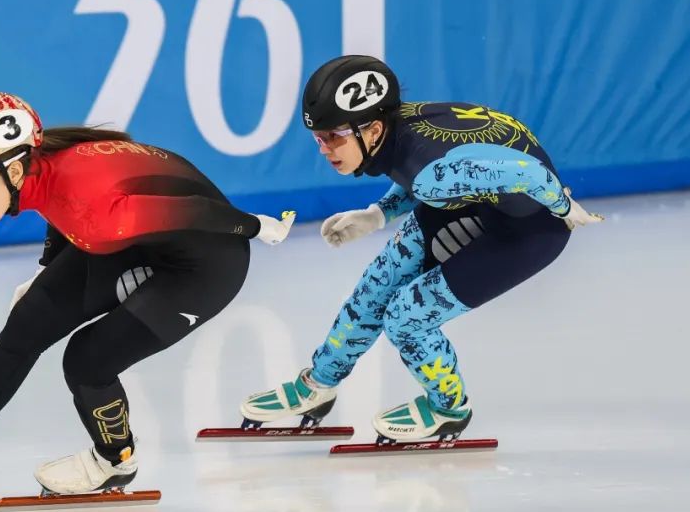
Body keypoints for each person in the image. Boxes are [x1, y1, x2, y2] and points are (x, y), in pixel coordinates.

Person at [0, 92, 295, 495]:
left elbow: (194, 211)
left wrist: (258, 226)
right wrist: (44, 273)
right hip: (138, 238)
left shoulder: (97, 213)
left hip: (206, 266)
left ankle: (114, 460)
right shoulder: (42, 168)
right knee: (26, 323)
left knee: (88, 360)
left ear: (12, 170)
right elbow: (58, 209)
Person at [240, 55, 602, 443]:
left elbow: (525, 173)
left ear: (373, 129)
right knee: (376, 287)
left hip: (529, 230)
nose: (325, 149)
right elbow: (434, 168)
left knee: (406, 316)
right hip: (476, 201)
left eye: (334, 136)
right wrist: (378, 214)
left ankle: (449, 409)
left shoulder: (430, 173)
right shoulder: (399, 132)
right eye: (319, 138)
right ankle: (319, 384)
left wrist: (563, 206)